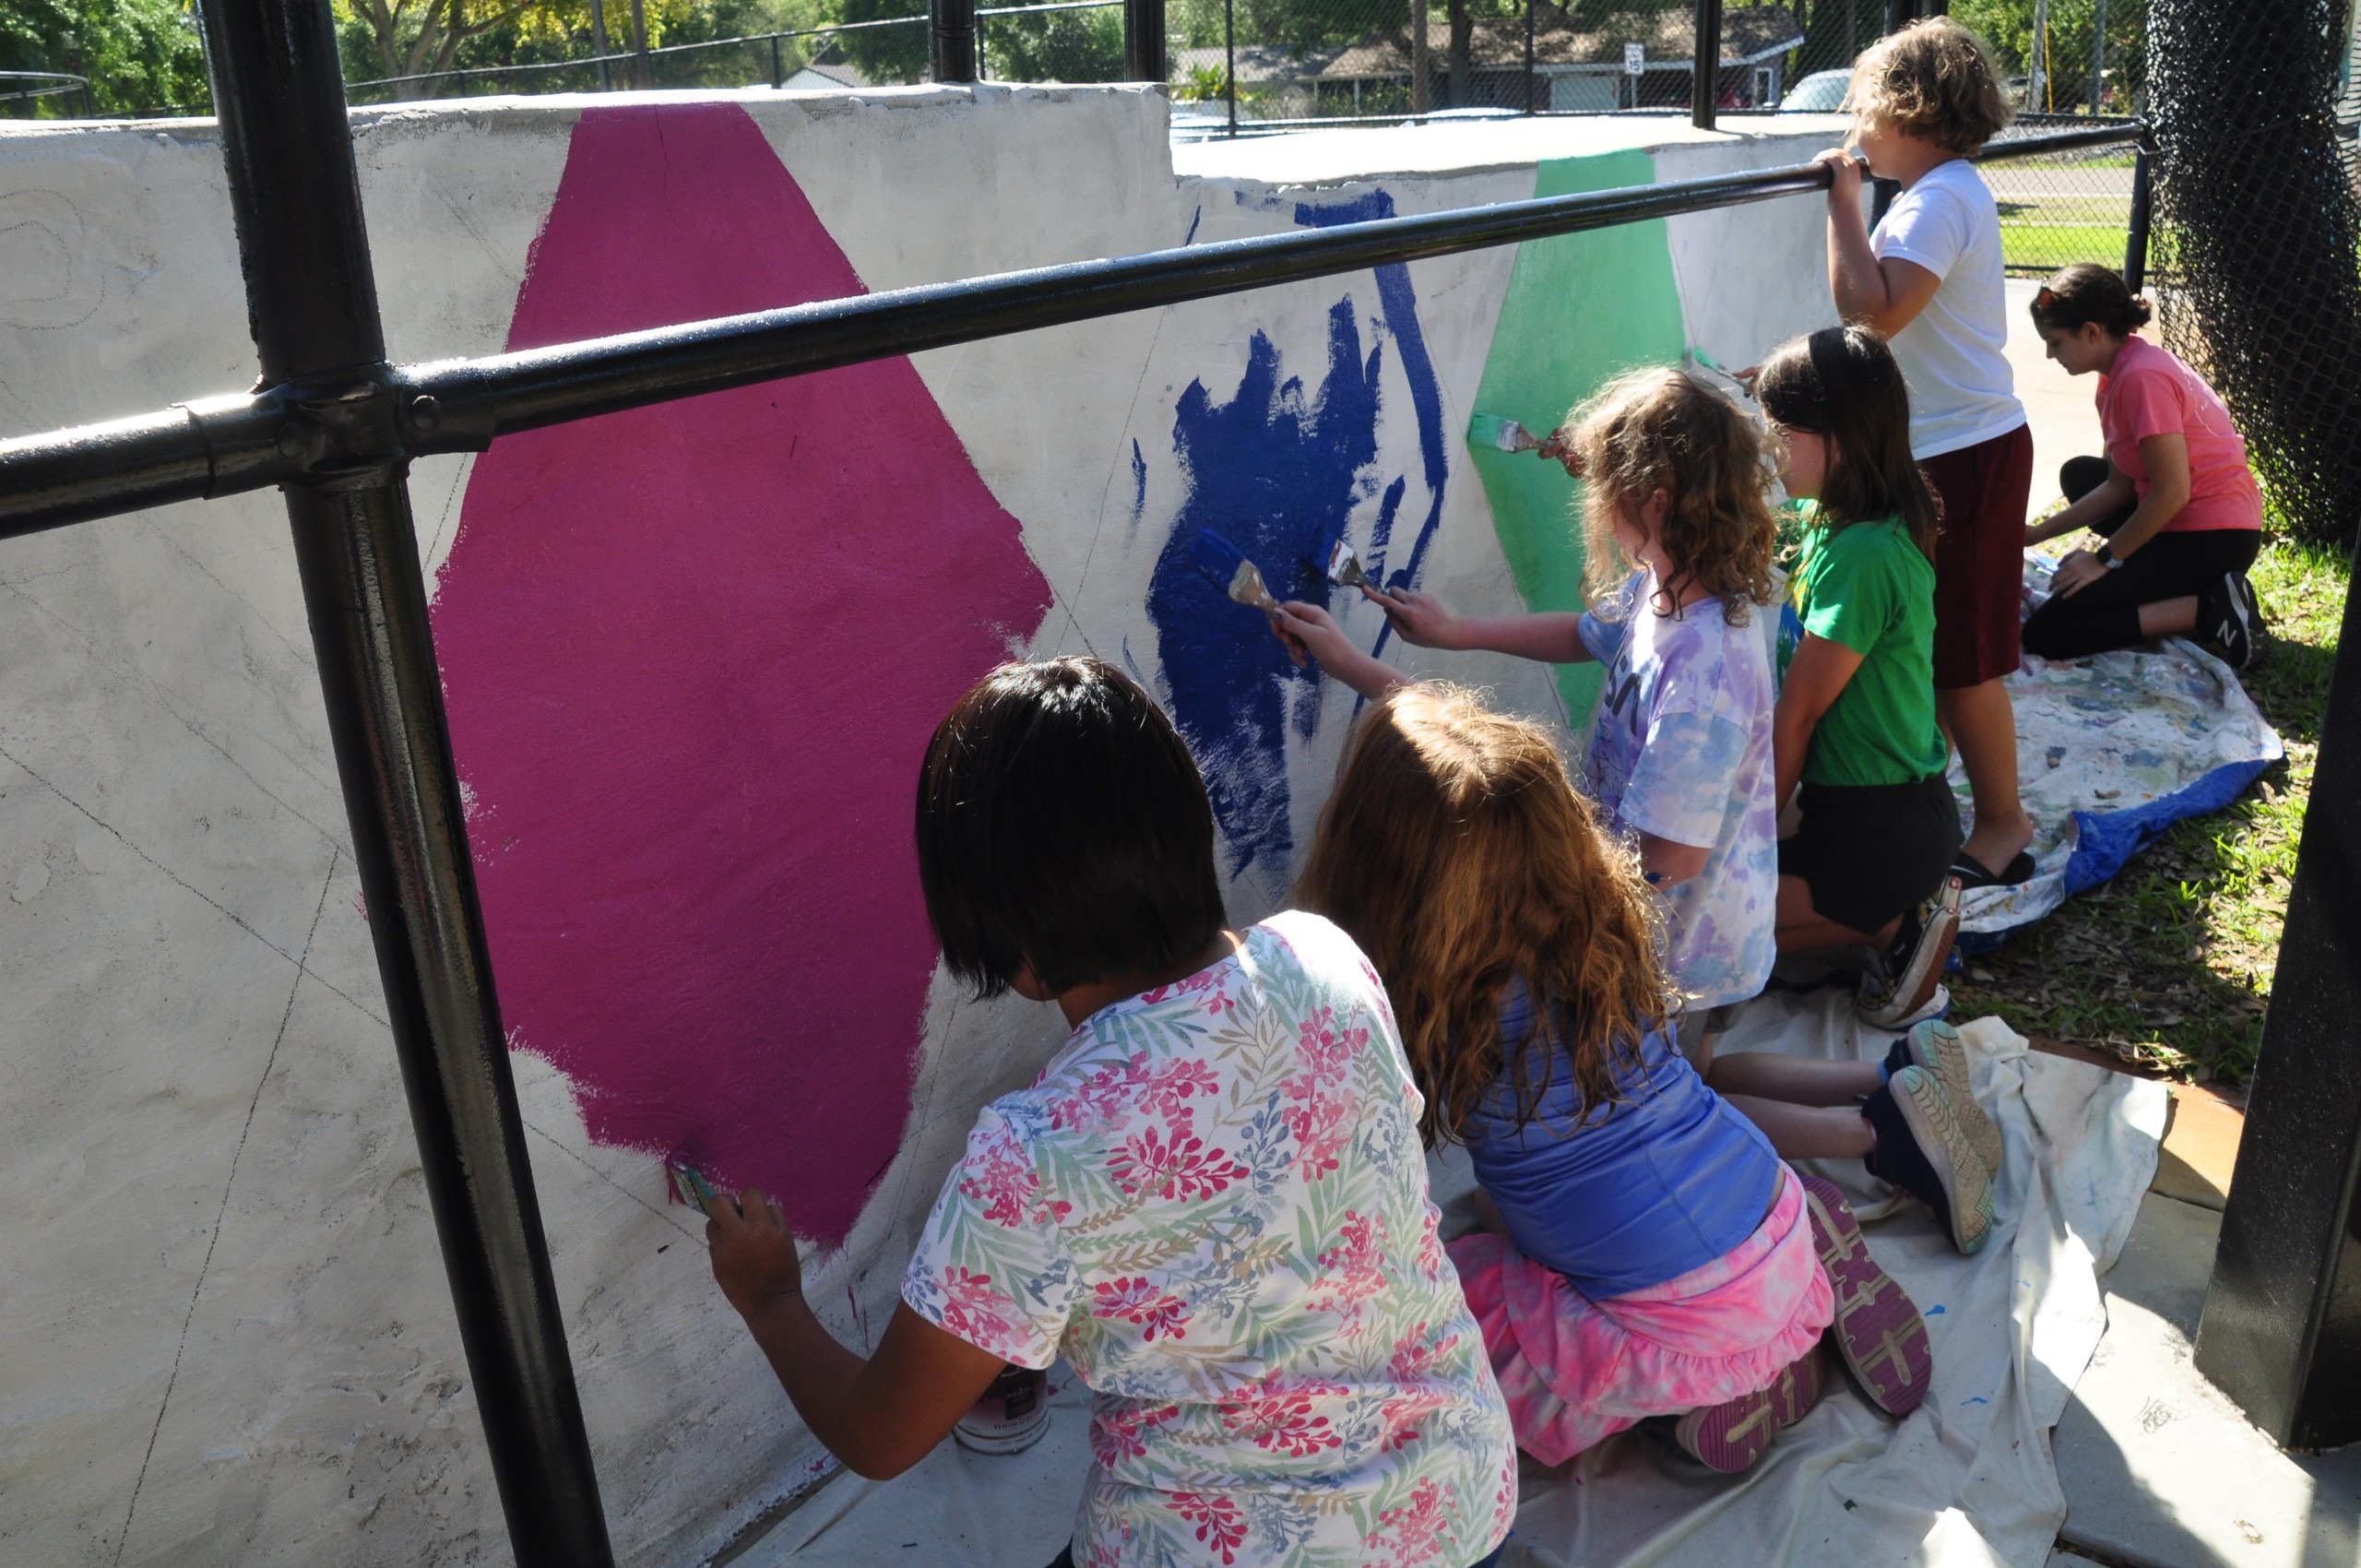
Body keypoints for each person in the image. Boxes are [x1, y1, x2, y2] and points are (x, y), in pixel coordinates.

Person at [703, 659, 1517, 1568]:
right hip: (1456, 1506)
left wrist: (772, 1298)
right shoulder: (1324, 959)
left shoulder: (1032, 1160)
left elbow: (879, 1434)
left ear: (1015, 954)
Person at [1295, 685, 1967, 1476]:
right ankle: (1775, 1332)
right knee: (1508, 1209)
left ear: (1375, 872)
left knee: (1453, 1299)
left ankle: (1711, 1388)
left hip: (1674, 1320)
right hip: (1766, 1201)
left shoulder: (1421, 1000)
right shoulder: (1604, 927)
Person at [1821, 16, 2036, 891]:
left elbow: (1872, 313)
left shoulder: (1941, 198)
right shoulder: (1936, 194)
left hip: (1969, 455)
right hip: (1944, 449)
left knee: (1963, 655)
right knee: (1929, 638)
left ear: (1906, 107)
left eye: (1863, 109)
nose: (1855, 129)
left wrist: (1842, 201)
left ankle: (2004, 824)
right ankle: (1925, 802)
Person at [1758, 327, 1973, 1048]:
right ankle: (1866, 913)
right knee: (1724, 925)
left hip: (1880, 832)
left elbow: (1797, 716)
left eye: (1781, 432)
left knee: (1713, 927)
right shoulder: (1831, 519)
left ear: (1842, 441)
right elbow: (1732, 527)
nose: (1769, 449)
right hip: (1874, 814)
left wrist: (1745, 845)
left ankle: (1893, 922)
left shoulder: (1864, 555)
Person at [2022, 263, 2268, 668]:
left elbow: (2172, 493)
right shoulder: (2118, 372)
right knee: (2081, 475)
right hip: (2184, 524)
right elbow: (2120, 485)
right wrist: (2036, 534)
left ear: (2091, 332)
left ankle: (2208, 607)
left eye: (2056, 342)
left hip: (2213, 536)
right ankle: (2171, 587)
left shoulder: (2141, 377)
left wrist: (2104, 561)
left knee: (2045, 634)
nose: (2051, 355)